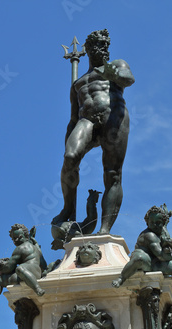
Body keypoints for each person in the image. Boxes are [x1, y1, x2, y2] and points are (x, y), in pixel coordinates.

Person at [52, 29, 135, 234]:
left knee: (113, 174)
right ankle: (68, 208)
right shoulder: (78, 83)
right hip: (86, 120)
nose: (103, 50)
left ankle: (104, 229)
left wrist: (112, 73)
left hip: (114, 117)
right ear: (88, 50)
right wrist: (68, 138)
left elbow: (127, 79)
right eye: (98, 46)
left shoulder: (116, 65)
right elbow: (73, 118)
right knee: (70, 158)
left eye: (106, 46)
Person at [112, 205, 172, 329]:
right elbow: (162, 256)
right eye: (152, 222)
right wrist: (169, 250)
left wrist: (169, 248)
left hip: (154, 262)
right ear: (147, 222)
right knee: (139, 259)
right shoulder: (150, 235)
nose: (155, 225)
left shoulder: (161, 230)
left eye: (158, 222)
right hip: (144, 260)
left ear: (163, 223)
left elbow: (168, 253)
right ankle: (121, 278)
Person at [0, 224, 45, 308]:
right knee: (1, 280)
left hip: (29, 272)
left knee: (19, 268)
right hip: (34, 273)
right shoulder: (36, 248)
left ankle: (37, 289)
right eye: (14, 238)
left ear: (25, 236)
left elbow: (9, 267)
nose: (16, 240)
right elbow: (44, 265)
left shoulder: (20, 248)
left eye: (19, 237)